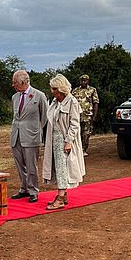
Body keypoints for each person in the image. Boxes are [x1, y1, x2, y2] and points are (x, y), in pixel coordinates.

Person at [42, 74, 86, 210]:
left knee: (62, 168)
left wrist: (68, 141)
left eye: (54, 88)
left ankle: (60, 198)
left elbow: (74, 124)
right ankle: (63, 194)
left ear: (61, 89)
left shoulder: (72, 102)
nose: (52, 91)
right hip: (54, 139)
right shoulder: (55, 102)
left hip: (63, 139)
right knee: (57, 167)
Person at [10, 69, 48, 203]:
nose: (13, 85)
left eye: (15, 82)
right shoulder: (15, 97)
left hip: (31, 136)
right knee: (20, 164)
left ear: (24, 82)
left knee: (31, 166)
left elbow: (45, 118)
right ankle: (24, 188)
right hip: (16, 135)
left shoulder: (39, 95)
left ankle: (33, 190)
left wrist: (37, 131)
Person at [72, 74, 99, 156]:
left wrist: (94, 116)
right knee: (76, 133)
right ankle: (77, 149)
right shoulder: (75, 91)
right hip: (77, 115)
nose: (83, 82)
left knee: (86, 133)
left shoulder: (92, 90)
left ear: (88, 81)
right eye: (82, 80)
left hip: (88, 115)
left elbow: (96, 103)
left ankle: (84, 149)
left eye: (85, 80)